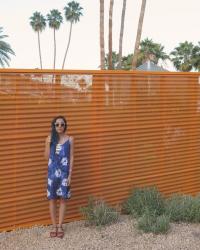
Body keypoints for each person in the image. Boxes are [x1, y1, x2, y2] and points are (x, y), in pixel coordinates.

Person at [44, 115, 74, 238]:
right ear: (54, 126)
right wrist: (48, 143)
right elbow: (46, 157)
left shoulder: (70, 139)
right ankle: (54, 226)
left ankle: (60, 225)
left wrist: (70, 175)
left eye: (62, 124)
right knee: (52, 199)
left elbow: (71, 157)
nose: (60, 126)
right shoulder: (50, 138)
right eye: (57, 124)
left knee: (63, 199)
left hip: (64, 174)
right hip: (52, 174)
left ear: (65, 125)